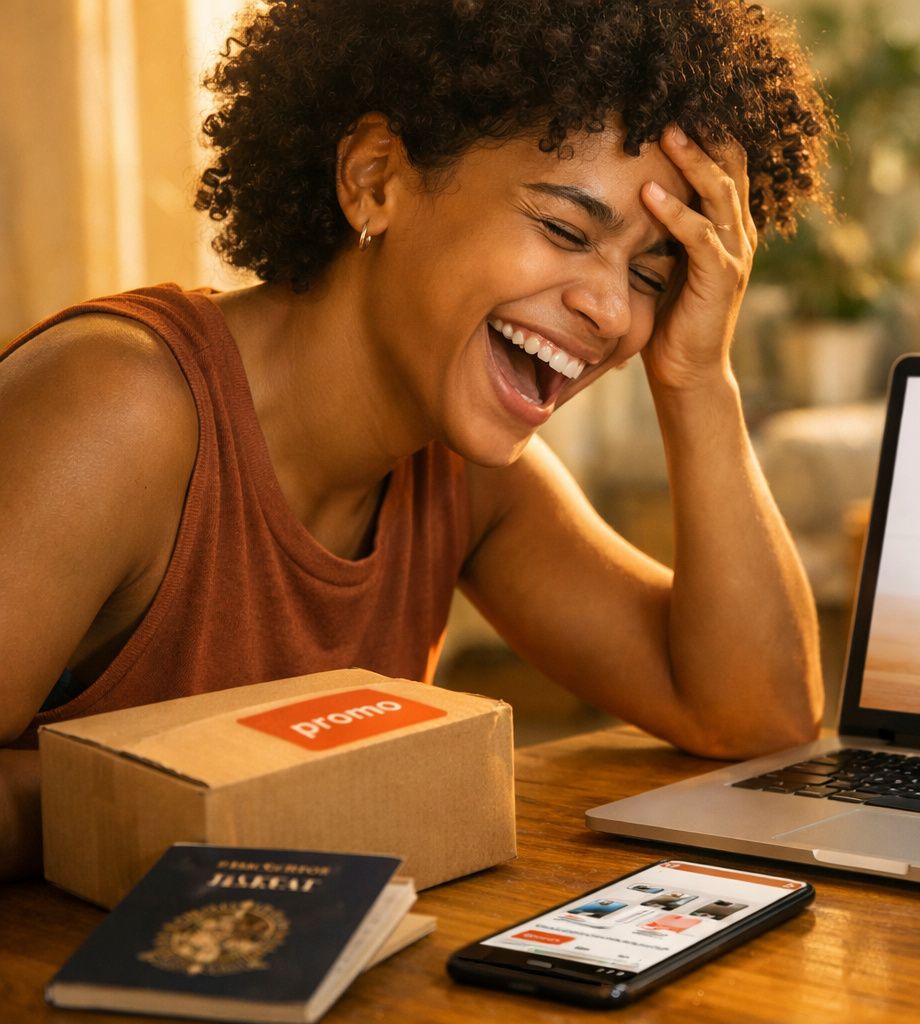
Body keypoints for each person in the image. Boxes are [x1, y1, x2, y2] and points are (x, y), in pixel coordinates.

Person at [0, 0, 833, 879]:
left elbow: (753, 718)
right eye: (563, 229)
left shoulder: (460, 475)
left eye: (649, 276)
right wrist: (207, 792)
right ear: (376, 179)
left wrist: (699, 379)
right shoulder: (119, 409)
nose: (612, 309)